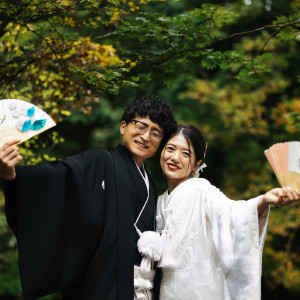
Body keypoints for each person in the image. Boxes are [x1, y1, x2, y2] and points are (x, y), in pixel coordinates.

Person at [0, 95, 177, 300]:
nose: (146, 136)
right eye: (140, 125)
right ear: (123, 127)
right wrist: (11, 174)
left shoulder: (151, 185)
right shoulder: (98, 162)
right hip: (99, 287)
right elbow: (58, 176)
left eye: (155, 132)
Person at [156, 124, 300, 300]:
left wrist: (263, 201)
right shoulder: (160, 201)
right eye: (170, 149)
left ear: (197, 164)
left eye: (185, 153)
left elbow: (231, 214)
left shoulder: (202, 190)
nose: (175, 157)